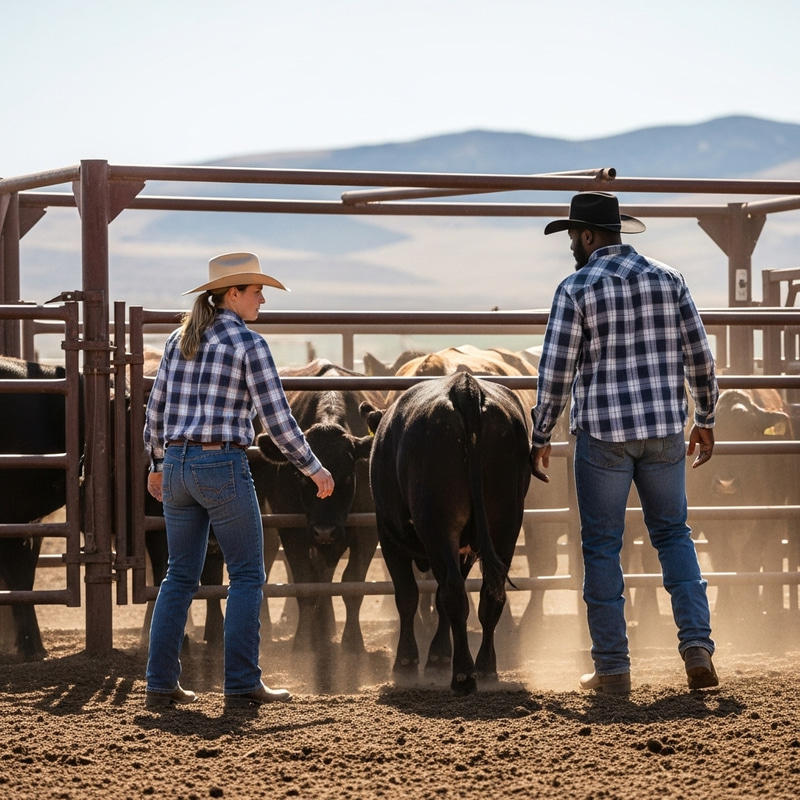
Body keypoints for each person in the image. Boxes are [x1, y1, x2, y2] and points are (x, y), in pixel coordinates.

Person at [530, 192, 719, 694]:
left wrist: (540, 432)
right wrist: (705, 416)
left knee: (601, 548)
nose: (573, 244)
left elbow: (555, 372)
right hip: (663, 432)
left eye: (574, 235)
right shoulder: (669, 279)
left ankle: (613, 669)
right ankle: (697, 646)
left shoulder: (576, 288)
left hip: (604, 438)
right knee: (674, 535)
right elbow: (700, 357)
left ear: (589, 236)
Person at [143, 251, 335, 708]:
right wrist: (313, 467)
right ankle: (242, 682)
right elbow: (278, 420)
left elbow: (156, 409)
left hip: (175, 465)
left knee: (178, 576)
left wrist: (155, 464)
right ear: (233, 294)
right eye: (256, 290)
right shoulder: (248, 343)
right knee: (248, 574)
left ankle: (160, 684)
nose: (263, 299)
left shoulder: (178, 340)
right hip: (221, 465)